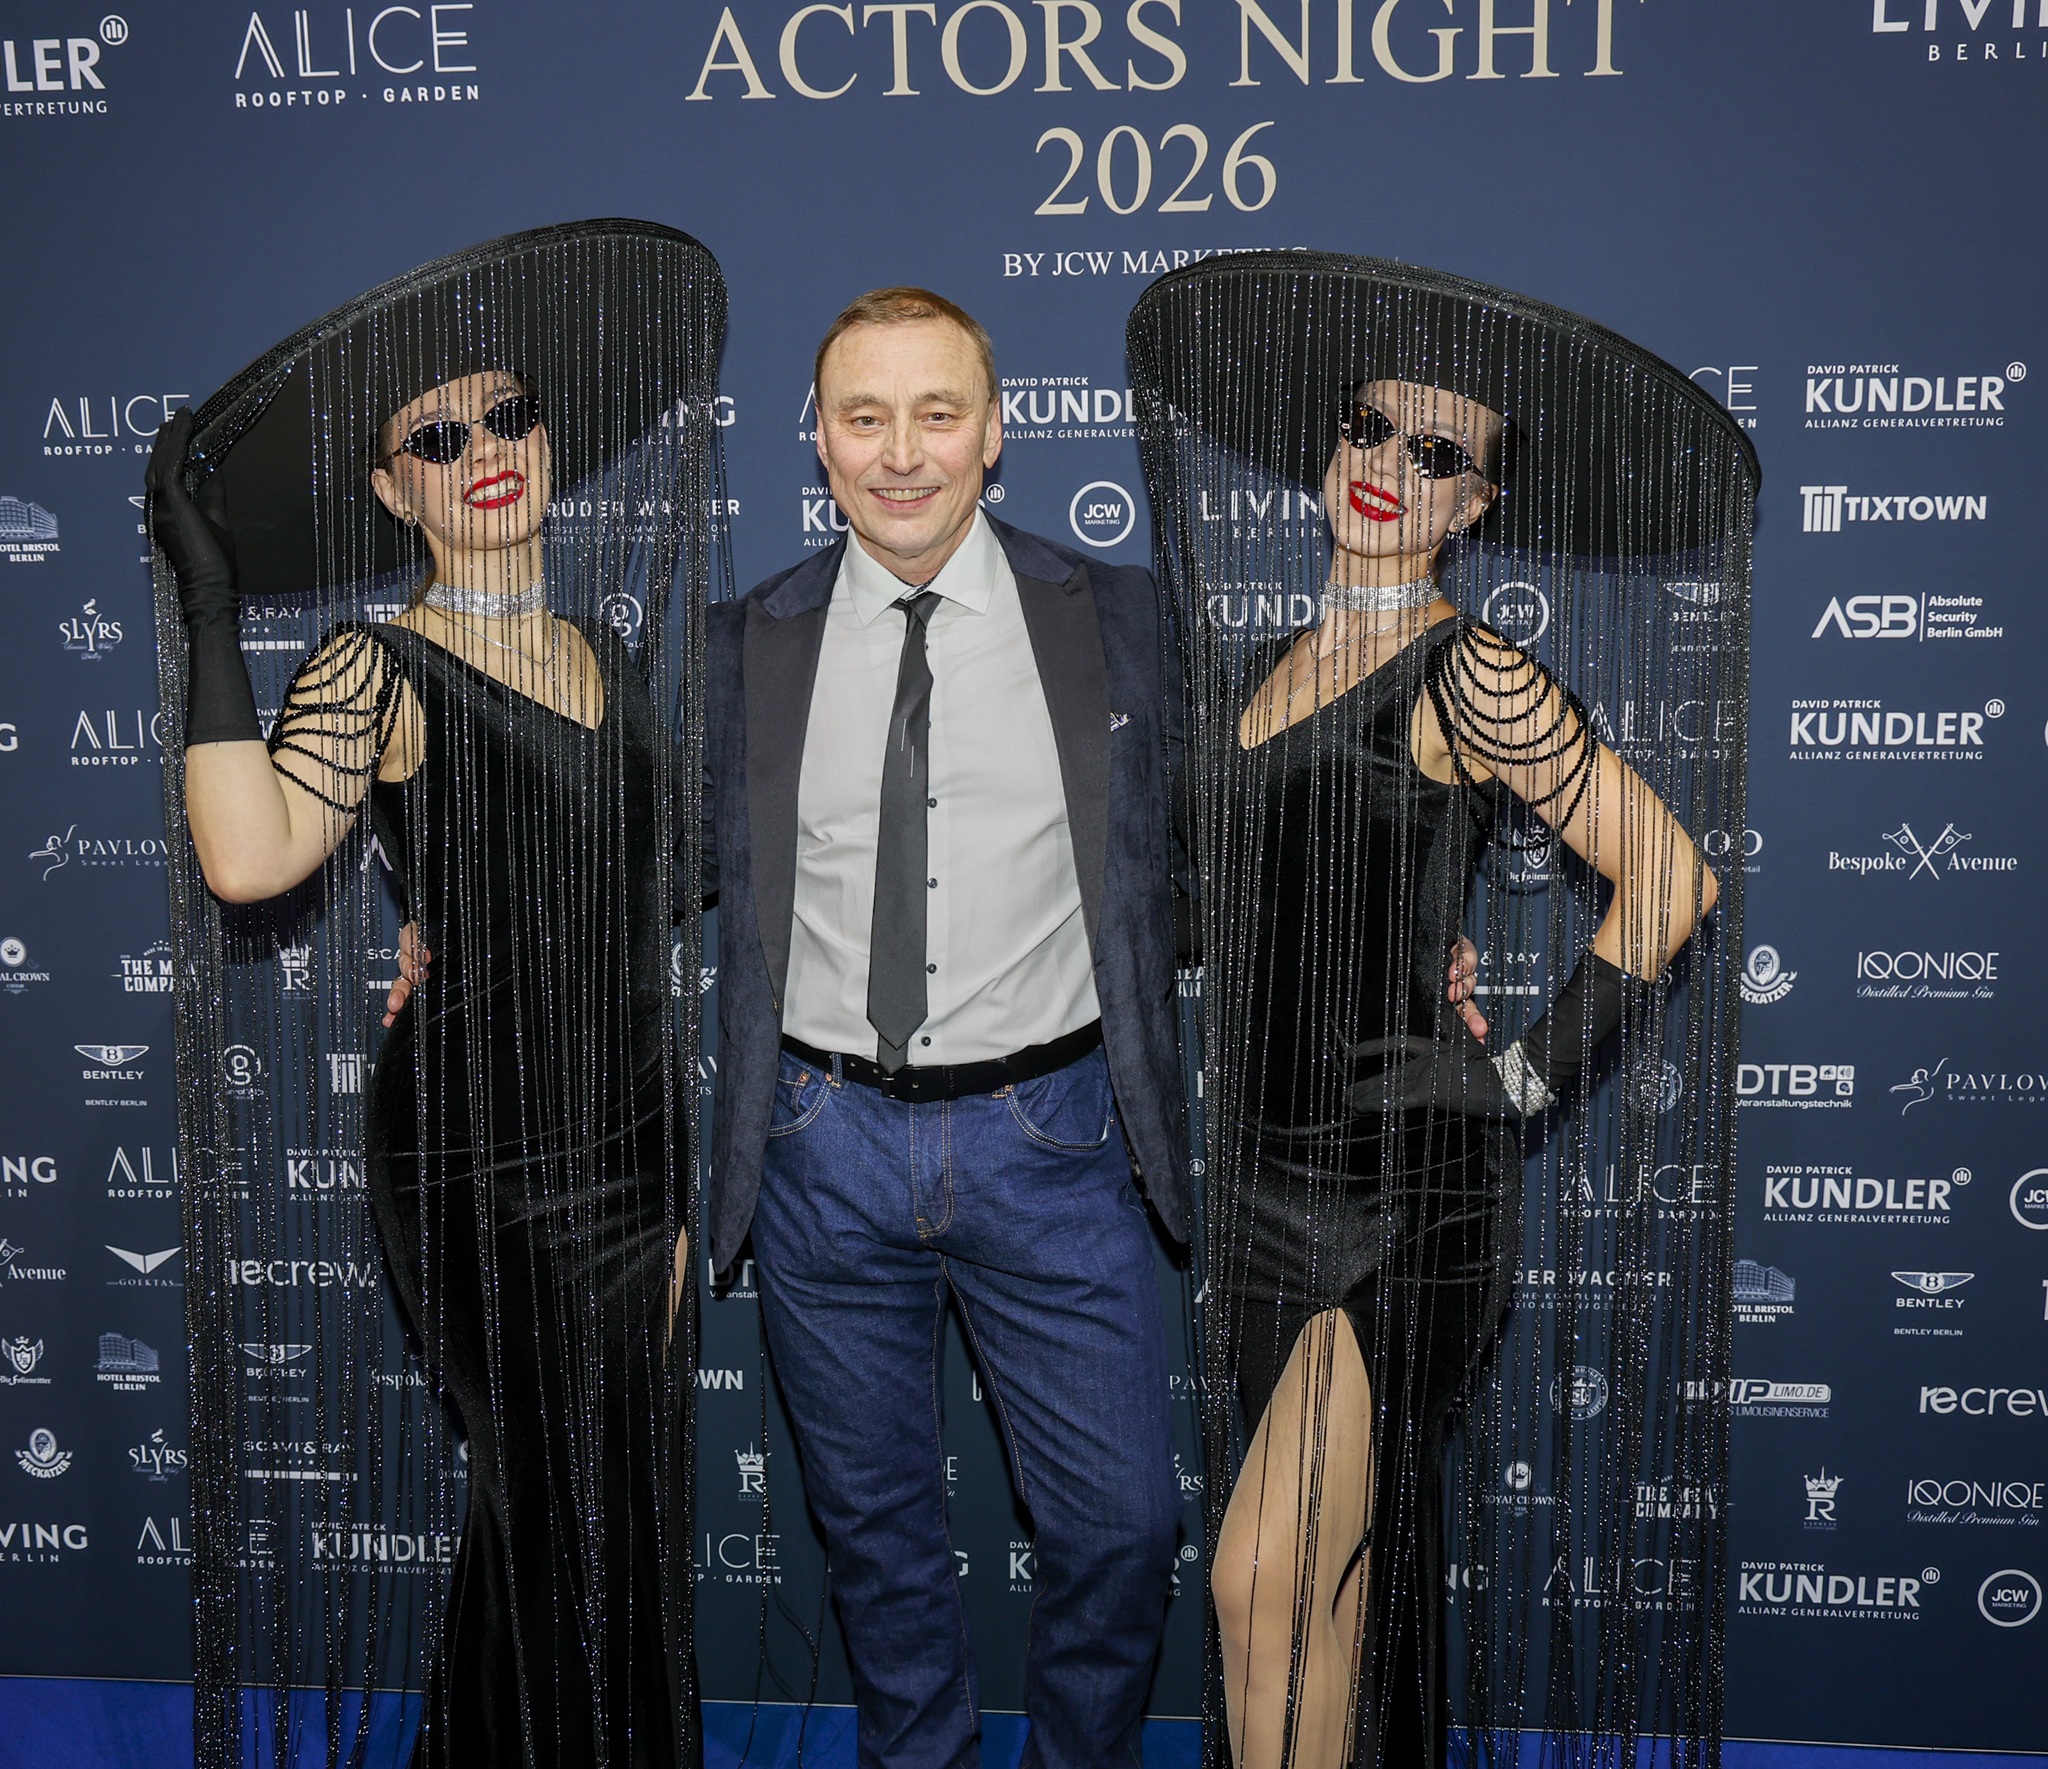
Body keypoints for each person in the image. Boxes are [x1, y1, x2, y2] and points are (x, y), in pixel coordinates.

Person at [1127, 255, 1750, 1769]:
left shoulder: (1474, 670)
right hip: (1259, 1193)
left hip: (1402, 1199)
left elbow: (1672, 879)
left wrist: (1523, 1078)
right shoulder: (1262, 668)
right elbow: (1233, 912)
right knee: (1327, 1599)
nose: (1388, 467)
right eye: (1368, 428)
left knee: (1263, 1585)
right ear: (1328, 449)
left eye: (1437, 453)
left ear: (1476, 505)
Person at [147, 223, 721, 1768]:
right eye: (437, 438)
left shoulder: (606, 651)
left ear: (551, 446)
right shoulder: (371, 665)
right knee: (561, 1501)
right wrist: (212, 607)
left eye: (507, 417)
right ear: (394, 489)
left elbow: (639, 897)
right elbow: (251, 859)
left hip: (636, 1148)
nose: (484, 453)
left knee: (585, 1507)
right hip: (482, 1157)